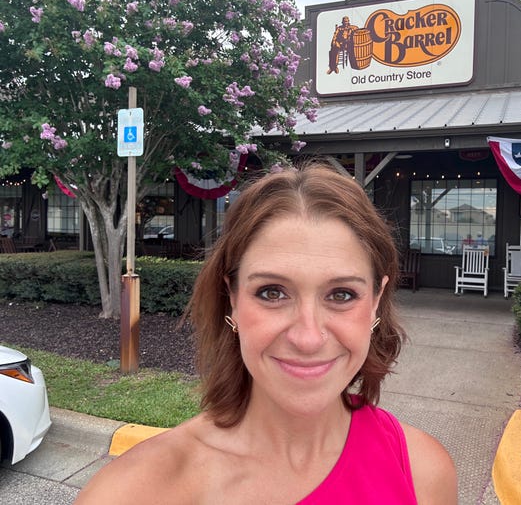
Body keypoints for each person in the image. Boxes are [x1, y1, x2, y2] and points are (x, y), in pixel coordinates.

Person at [74, 163, 457, 504]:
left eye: (342, 294)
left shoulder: (424, 473)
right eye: (272, 292)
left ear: (375, 301)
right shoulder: (136, 492)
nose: (308, 338)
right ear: (233, 300)